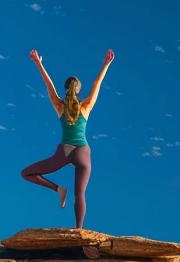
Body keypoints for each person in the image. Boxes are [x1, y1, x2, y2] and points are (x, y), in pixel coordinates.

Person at [21, 49, 113, 229]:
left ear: (66, 89)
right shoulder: (86, 106)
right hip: (83, 152)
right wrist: (106, 65)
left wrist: (39, 63)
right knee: (80, 195)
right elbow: (97, 83)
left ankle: (58, 189)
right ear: (79, 90)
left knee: (26, 173)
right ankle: (79, 230)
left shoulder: (59, 106)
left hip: (64, 151)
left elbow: (49, 85)